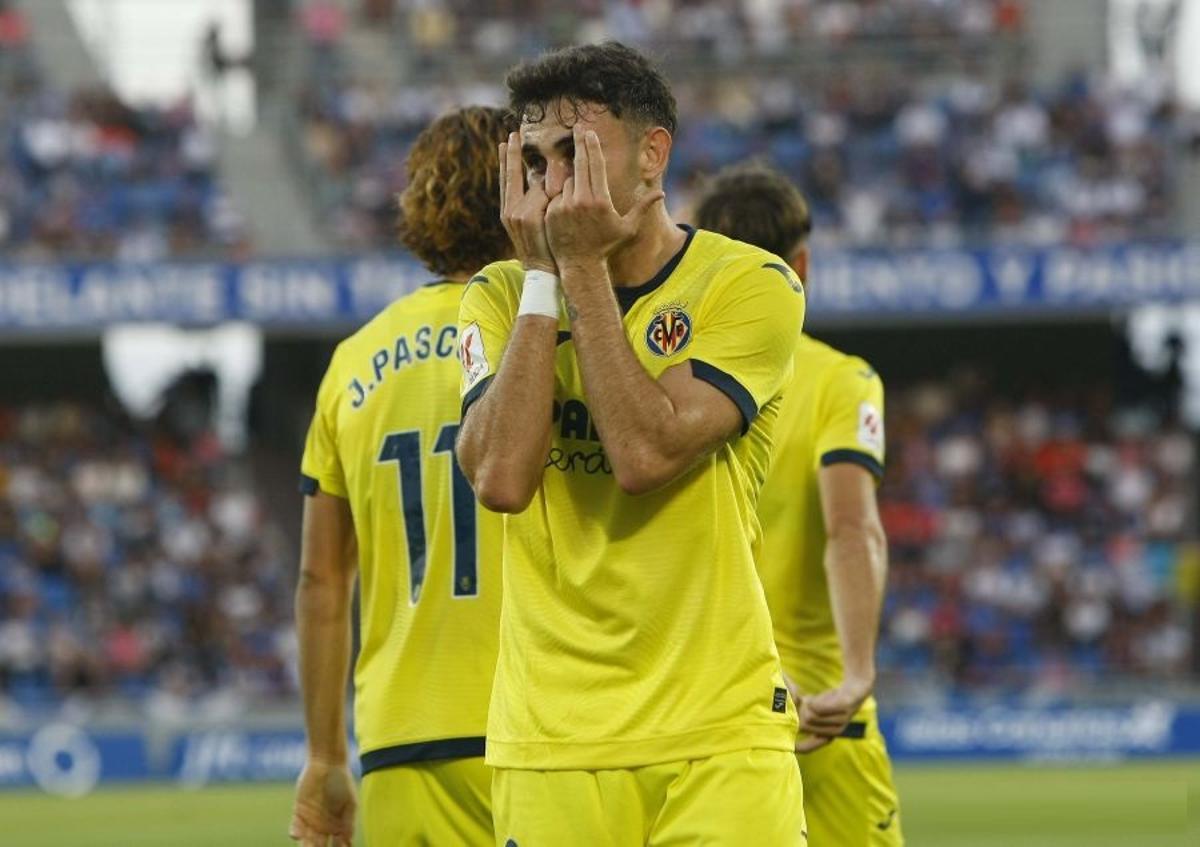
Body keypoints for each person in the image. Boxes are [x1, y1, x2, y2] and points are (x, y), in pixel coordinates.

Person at [455, 42, 808, 844]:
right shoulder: (501, 293)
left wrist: (579, 270)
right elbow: (503, 479)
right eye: (536, 159)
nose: (552, 182)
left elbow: (646, 455)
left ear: (654, 157)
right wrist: (544, 281)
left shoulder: (749, 284)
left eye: (576, 153)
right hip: (551, 737)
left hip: (721, 734)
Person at [289, 105, 516, 847]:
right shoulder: (555, 335)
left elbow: (322, 582)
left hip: (398, 739)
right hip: (542, 728)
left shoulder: (352, 363)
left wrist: (325, 756)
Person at [695, 161, 903, 846]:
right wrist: (857, 673)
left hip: (708, 713)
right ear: (802, 266)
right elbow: (850, 530)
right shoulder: (840, 382)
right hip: (820, 712)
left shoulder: (660, 392)